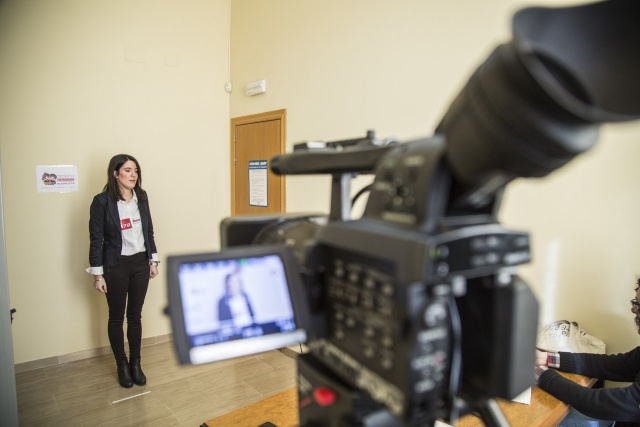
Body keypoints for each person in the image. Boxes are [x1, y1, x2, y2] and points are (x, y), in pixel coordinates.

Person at [86, 154, 159, 389]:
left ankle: (136, 363)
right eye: (128, 170)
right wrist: (98, 275)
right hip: (115, 266)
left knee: (135, 316)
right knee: (116, 318)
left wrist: (153, 261)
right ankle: (122, 365)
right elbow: (96, 240)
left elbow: (149, 231)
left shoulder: (142, 197)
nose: (133, 175)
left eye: (135, 170)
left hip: (140, 264)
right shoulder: (101, 202)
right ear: (115, 174)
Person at [535, 278, 640, 426]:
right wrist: (546, 358)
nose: (633, 309)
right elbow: (616, 365)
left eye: (637, 304)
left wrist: (541, 373)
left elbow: (616, 403)